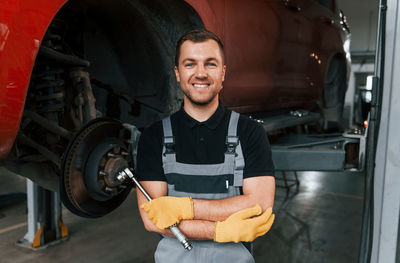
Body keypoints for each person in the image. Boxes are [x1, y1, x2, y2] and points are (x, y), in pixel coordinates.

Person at [135, 29, 275, 263]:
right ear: (178, 74)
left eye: (210, 64)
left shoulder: (249, 132)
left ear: (223, 73)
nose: (200, 73)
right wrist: (218, 231)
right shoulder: (154, 136)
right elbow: (152, 219)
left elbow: (259, 205)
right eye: (190, 64)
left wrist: (185, 209)